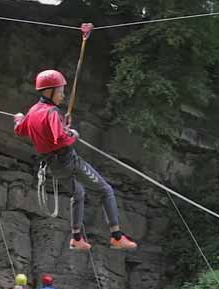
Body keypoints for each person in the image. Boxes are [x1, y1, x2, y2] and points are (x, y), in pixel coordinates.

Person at [14, 69, 137, 251]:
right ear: (49, 91)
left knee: (78, 193)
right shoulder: (52, 112)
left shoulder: (33, 111)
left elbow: (20, 130)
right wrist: (73, 134)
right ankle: (116, 236)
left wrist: (19, 119)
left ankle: (76, 238)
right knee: (106, 190)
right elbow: (61, 138)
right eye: (61, 91)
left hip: (54, 167)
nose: (63, 95)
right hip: (69, 162)